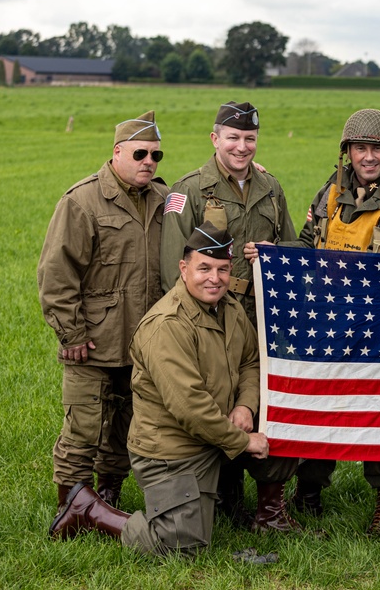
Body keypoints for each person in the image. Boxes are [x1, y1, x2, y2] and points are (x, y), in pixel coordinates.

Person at [50, 222, 300, 555]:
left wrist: (245, 408)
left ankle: (265, 515)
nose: (215, 278)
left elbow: (250, 363)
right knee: (183, 543)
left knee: (284, 427)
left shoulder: (230, 308)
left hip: (216, 432)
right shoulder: (167, 325)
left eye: (223, 269)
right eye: (204, 268)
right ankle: (90, 512)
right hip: (172, 450)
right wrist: (242, 440)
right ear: (183, 269)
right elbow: (190, 408)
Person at [250, 108, 380, 534]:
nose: (367, 157)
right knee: (321, 403)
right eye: (360, 148)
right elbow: (305, 243)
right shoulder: (329, 194)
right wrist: (274, 255)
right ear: (347, 152)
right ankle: (309, 492)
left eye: (377, 149)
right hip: (328, 321)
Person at [160, 101, 298, 531]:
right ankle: (224, 496)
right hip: (212, 315)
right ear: (215, 138)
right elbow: (173, 267)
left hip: (262, 313)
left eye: (250, 138)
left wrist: (276, 256)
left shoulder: (271, 188)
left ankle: (269, 508)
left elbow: (291, 250)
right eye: (233, 138)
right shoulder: (189, 191)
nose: (242, 147)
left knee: (264, 401)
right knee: (220, 398)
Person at [38, 110, 167, 513]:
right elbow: (57, 273)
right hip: (93, 339)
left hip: (144, 341)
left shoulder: (166, 200)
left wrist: (251, 171)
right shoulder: (82, 200)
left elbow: (204, 193)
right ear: (117, 152)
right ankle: (71, 507)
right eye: (141, 153)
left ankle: (107, 495)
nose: (149, 162)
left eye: (157, 156)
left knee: (127, 423)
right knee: (84, 426)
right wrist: (71, 334)